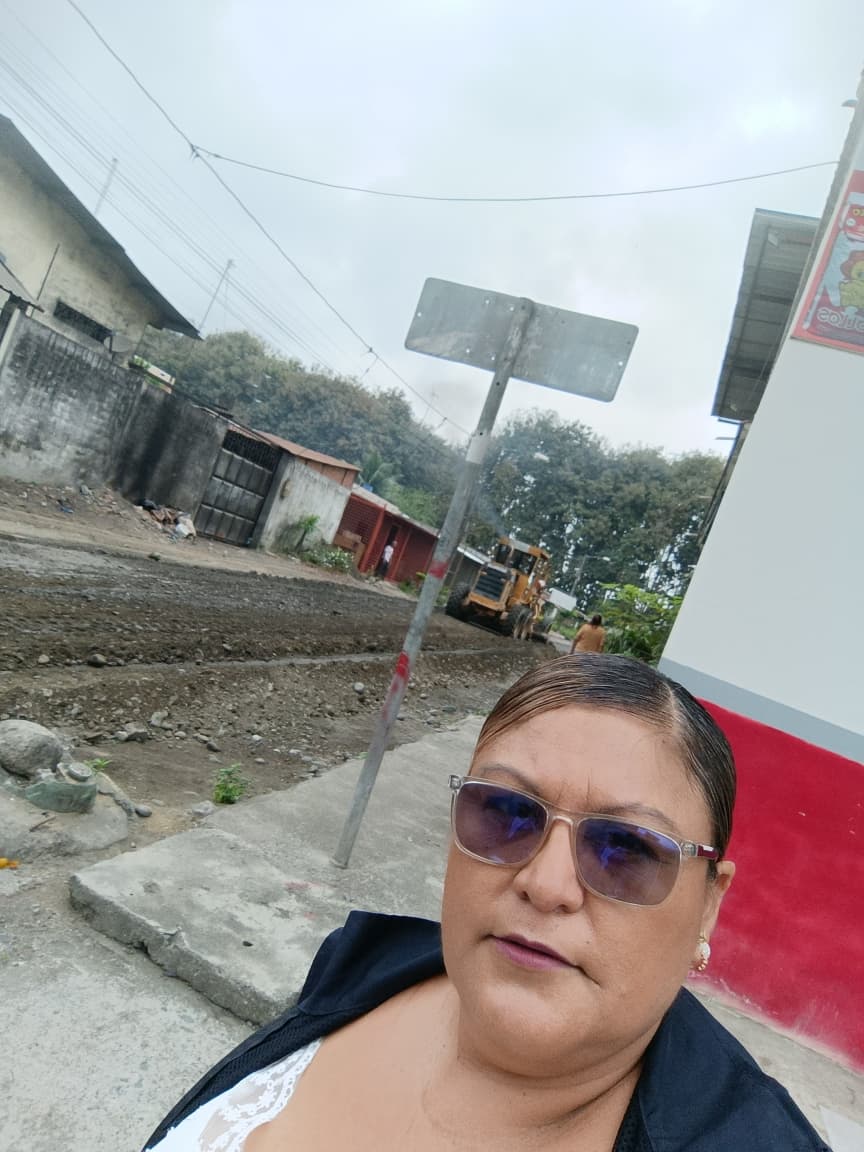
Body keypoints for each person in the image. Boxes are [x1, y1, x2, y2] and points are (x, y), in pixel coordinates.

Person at [144, 655, 829, 1152]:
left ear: (708, 905)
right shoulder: (363, 963)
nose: (546, 885)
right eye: (506, 811)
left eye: (626, 848)